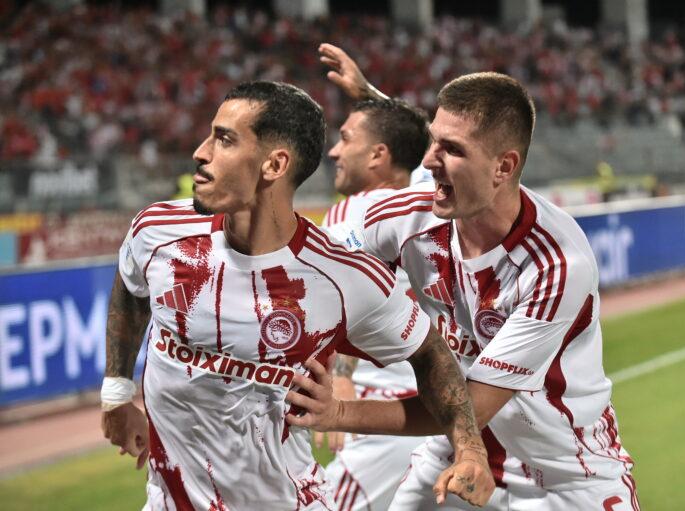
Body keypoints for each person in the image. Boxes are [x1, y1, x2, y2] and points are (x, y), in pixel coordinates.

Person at [100, 80, 495, 510]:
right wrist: (117, 391)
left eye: (225, 139)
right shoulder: (158, 230)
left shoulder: (340, 275)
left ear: (274, 164)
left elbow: (431, 355)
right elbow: (132, 289)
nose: (200, 152)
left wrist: (469, 448)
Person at [291, 46, 639, 510]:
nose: (429, 162)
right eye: (433, 143)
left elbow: (468, 409)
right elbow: (306, 270)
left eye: (451, 150)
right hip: (453, 452)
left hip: (565, 475)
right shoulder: (408, 214)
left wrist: (337, 412)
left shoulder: (556, 264)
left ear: (504, 167)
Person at [317, 93, 432, 510]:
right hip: (433, 407)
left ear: (378, 155)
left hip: (384, 412)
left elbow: (351, 299)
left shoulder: (356, 212)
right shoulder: (430, 201)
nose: (334, 151)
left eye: (346, 138)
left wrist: (341, 375)